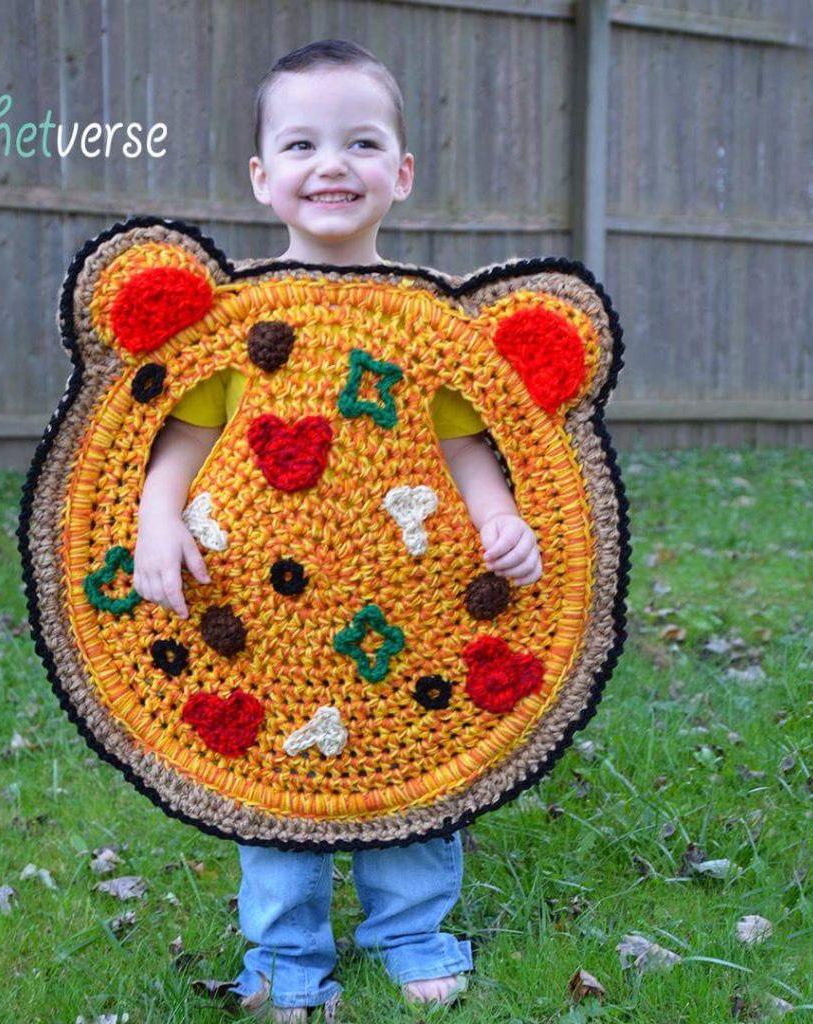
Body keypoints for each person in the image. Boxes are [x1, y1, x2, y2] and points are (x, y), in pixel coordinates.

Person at [133, 39, 542, 1022]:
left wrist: (498, 515)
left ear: (402, 172)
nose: (332, 165)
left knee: (415, 755)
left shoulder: (425, 326)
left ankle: (411, 929)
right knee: (274, 777)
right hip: (261, 615)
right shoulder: (237, 326)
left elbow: (464, 441)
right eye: (302, 144)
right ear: (261, 176)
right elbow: (180, 436)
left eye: (361, 142)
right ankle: (284, 949)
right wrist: (154, 517)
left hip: (405, 599)